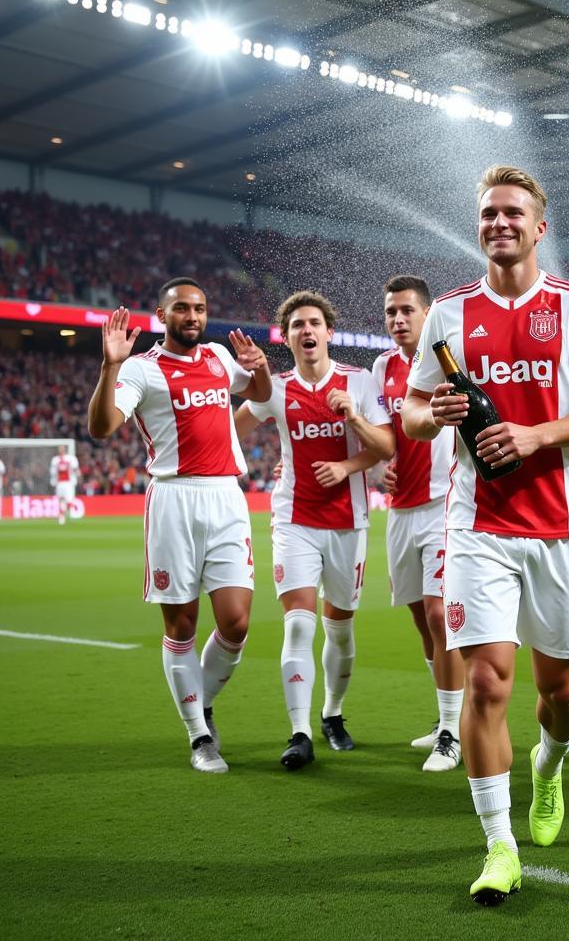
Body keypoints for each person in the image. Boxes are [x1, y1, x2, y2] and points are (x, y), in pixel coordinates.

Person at [402, 165, 569, 904]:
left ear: (540, 226)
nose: (500, 223)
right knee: (489, 680)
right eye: (489, 213)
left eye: (513, 213)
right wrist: (428, 414)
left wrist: (536, 436)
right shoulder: (447, 316)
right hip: (477, 525)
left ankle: (550, 767)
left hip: (562, 525)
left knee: (561, 690)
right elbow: (407, 411)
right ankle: (499, 845)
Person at [87, 278, 272, 773]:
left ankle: (200, 700)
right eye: (182, 309)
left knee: (236, 622)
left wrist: (260, 368)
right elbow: (102, 427)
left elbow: (261, 394)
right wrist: (110, 365)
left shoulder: (217, 355)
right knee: (182, 625)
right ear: (161, 315)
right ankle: (199, 735)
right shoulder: (141, 371)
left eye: (200, 308)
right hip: (173, 499)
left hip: (226, 498)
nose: (193, 316)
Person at [234, 291, 394, 770]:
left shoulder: (359, 381)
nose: (307, 331)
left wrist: (352, 432)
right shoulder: (275, 390)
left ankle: (332, 713)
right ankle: (299, 731)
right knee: (299, 624)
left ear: (328, 331)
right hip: (294, 520)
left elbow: (386, 446)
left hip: (348, 522)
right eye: (297, 325)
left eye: (314, 323)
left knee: (340, 631)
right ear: (287, 338)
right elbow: (227, 432)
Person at [373, 275, 464, 772]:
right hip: (399, 512)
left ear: (428, 315)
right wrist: (370, 467)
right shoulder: (381, 366)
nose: (398, 320)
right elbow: (377, 436)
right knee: (418, 617)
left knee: (437, 612)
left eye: (407, 310)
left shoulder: (449, 359)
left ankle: (453, 731)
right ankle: (445, 712)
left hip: (443, 506)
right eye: (391, 312)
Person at [49, 444, 80, 525]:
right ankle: (62, 517)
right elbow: (53, 473)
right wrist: (53, 482)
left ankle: (71, 514)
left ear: (65, 449)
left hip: (68, 483)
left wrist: (77, 477)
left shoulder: (71, 459)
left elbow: (76, 470)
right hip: (59, 483)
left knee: (69, 500)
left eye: (62, 448)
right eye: (59, 448)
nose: (60, 450)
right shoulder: (55, 460)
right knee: (61, 500)